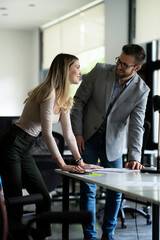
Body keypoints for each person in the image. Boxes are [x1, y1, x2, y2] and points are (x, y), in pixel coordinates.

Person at [0, 53, 102, 240]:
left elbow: (69, 134)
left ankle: (43, 237)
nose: (81, 72)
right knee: (15, 200)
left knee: (43, 197)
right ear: (66, 70)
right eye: (77, 67)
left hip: (26, 148)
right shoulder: (49, 93)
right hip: (12, 144)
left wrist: (80, 161)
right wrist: (63, 164)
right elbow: (47, 133)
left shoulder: (64, 98)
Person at [70, 44, 150, 240]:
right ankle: (89, 235)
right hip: (87, 139)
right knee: (88, 188)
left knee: (116, 190)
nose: (119, 66)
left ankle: (109, 234)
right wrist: (77, 133)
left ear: (136, 68)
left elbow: (136, 126)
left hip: (113, 144)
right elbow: (78, 101)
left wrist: (134, 157)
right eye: (119, 61)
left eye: (125, 65)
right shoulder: (99, 71)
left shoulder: (142, 90)